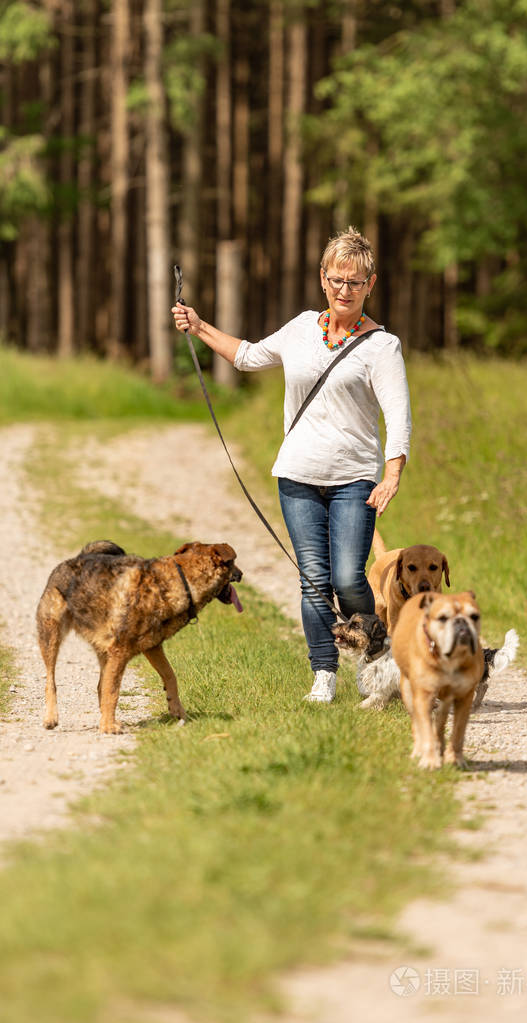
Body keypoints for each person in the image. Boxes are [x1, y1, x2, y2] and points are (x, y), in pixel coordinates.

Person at [171, 226, 411, 703]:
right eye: (337, 279)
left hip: (353, 479)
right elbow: (247, 356)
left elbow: (398, 415)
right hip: (297, 476)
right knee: (314, 579)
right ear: (323, 278)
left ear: (371, 284)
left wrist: (392, 475)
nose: (345, 290)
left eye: (356, 282)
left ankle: (377, 654)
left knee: (347, 577)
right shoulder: (302, 328)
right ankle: (324, 674)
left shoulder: (383, 347)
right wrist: (199, 327)